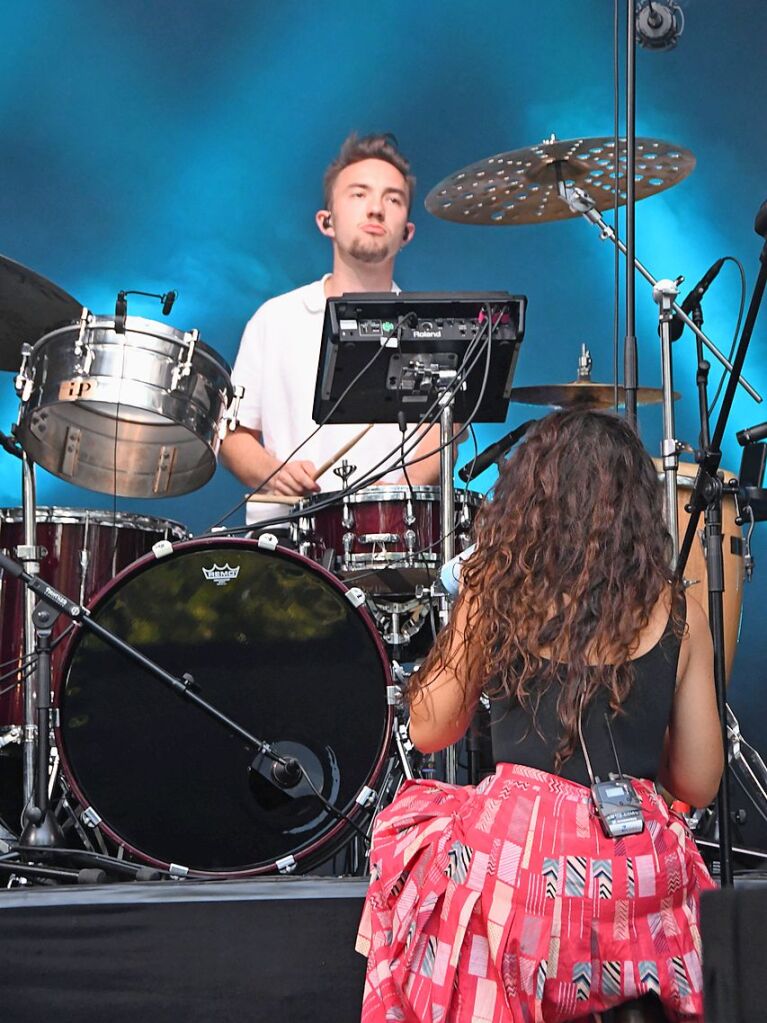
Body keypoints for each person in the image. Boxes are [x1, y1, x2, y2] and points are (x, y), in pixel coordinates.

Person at [356, 410, 722, 1023]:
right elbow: (698, 780)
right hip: (632, 872)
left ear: (528, 497)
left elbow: (429, 727)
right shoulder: (674, 606)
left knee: (408, 835)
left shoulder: (496, 584)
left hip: (518, 872)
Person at [221, 132, 443, 526]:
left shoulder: (427, 329)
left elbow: (444, 436)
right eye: (359, 195)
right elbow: (232, 435)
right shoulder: (275, 319)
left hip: (393, 544)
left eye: (393, 199)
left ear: (407, 232)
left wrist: (388, 503)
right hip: (286, 542)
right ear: (327, 221)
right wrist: (273, 473)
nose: (376, 209)